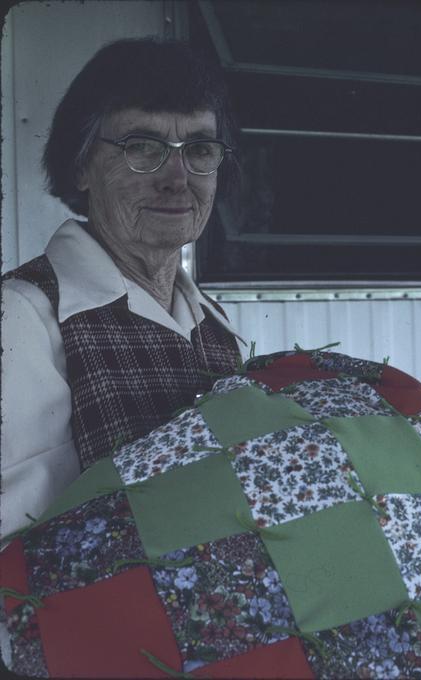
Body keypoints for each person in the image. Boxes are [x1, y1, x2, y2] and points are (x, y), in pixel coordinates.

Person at [1, 38, 244, 539]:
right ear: (82, 165)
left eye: (199, 149)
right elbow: (14, 550)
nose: (178, 179)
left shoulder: (217, 326)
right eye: (143, 148)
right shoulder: (23, 317)